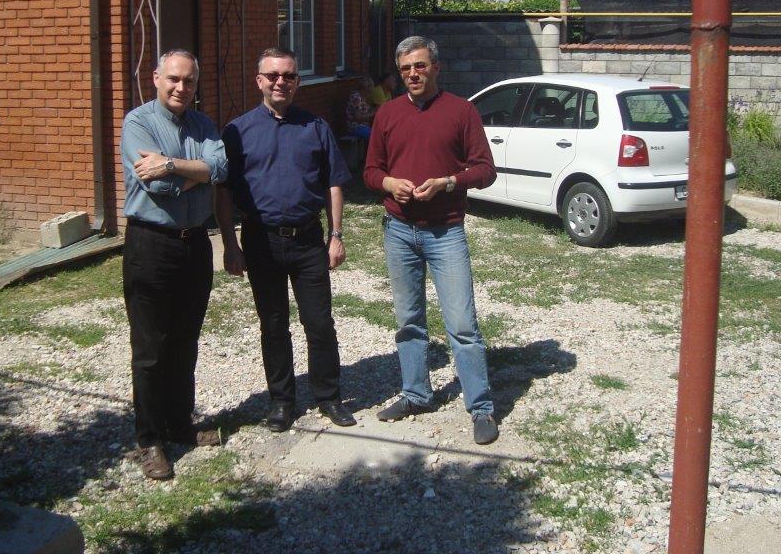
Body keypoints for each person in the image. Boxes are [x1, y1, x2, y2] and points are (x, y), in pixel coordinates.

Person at [363, 35, 500, 445]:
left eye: (420, 66)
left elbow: (485, 170)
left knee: (462, 324)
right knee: (408, 321)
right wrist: (389, 183)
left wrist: (448, 182)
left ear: (436, 67)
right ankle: (417, 394)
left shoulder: (461, 111)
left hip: (446, 232)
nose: (413, 74)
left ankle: (481, 408)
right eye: (405, 68)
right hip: (399, 231)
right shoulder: (387, 113)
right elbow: (370, 171)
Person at [215, 48, 356, 433]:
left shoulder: (316, 127)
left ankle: (328, 396)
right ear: (259, 80)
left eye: (289, 75)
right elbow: (222, 191)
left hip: (308, 240)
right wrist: (230, 244)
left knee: (319, 323)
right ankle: (282, 400)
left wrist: (336, 235)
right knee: (274, 324)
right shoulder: (237, 131)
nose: (281, 82)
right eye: (273, 75)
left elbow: (333, 183)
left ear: (297, 81)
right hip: (261, 241)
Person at [120, 49, 228, 480]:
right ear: (156, 78)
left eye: (189, 81)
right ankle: (150, 440)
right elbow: (156, 186)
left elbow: (221, 167)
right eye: (174, 79)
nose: (182, 87)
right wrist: (195, 176)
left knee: (185, 340)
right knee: (150, 348)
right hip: (151, 245)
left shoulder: (203, 124)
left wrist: (171, 165)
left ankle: (180, 424)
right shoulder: (138, 123)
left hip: (195, 244)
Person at [345, 75, 377, 140]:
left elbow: (365, 111)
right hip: (356, 127)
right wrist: (373, 113)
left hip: (364, 125)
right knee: (376, 136)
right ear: (365, 88)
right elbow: (358, 117)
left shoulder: (363, 97)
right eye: (371, 88)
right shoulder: (357, 98)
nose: (372, 90)